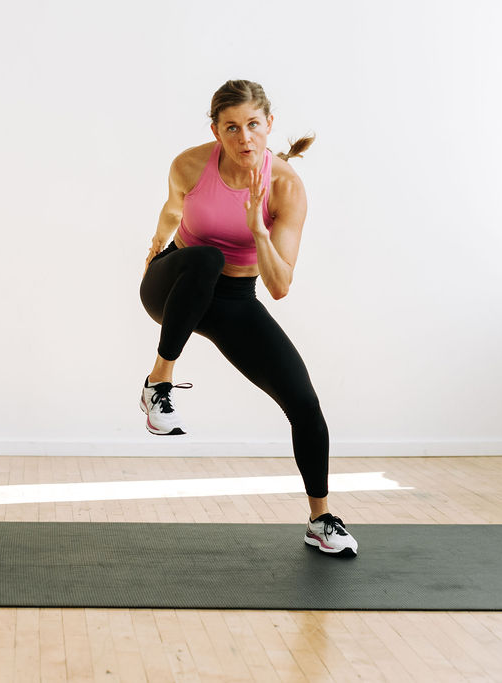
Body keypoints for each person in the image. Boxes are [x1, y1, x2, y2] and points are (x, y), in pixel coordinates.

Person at [138, 79, 358, 557]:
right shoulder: (190, 164)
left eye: (253, 125)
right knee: (205, 260)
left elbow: (279, 286)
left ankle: (321, 518)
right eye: (231, 127)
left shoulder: (286, 188)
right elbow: (172, 211)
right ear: (216, 130)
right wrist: (155, 246)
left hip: (234, 298)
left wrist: (258, 229)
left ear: (269, 125)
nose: (244, 139)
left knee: (303, 402)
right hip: (175, 284)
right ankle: (159, 383)